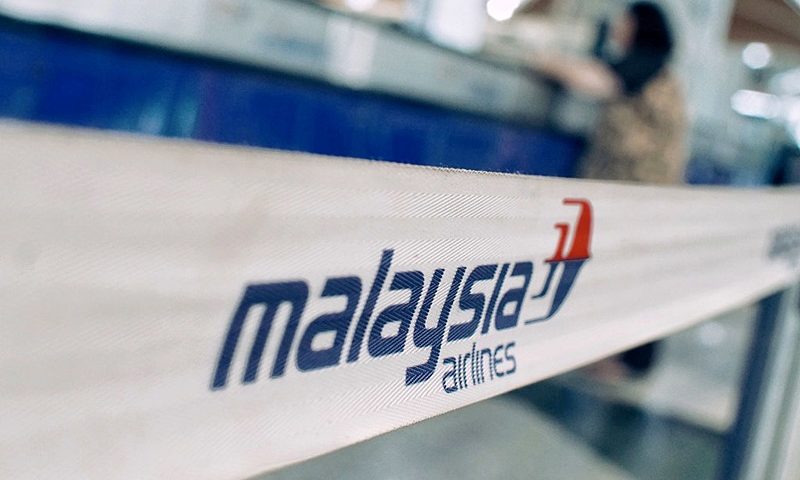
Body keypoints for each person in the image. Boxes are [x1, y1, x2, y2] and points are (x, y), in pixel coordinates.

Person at [532, 2, 688, 376]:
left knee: (632, 277)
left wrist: (541, 59)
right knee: (638, 276)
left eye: (626, 19)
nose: (618, 25)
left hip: (638, 194)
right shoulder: (660, 71)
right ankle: (621, 358)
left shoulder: (644, 62)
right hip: (647, 194)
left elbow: (593, 80)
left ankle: (624, 361)